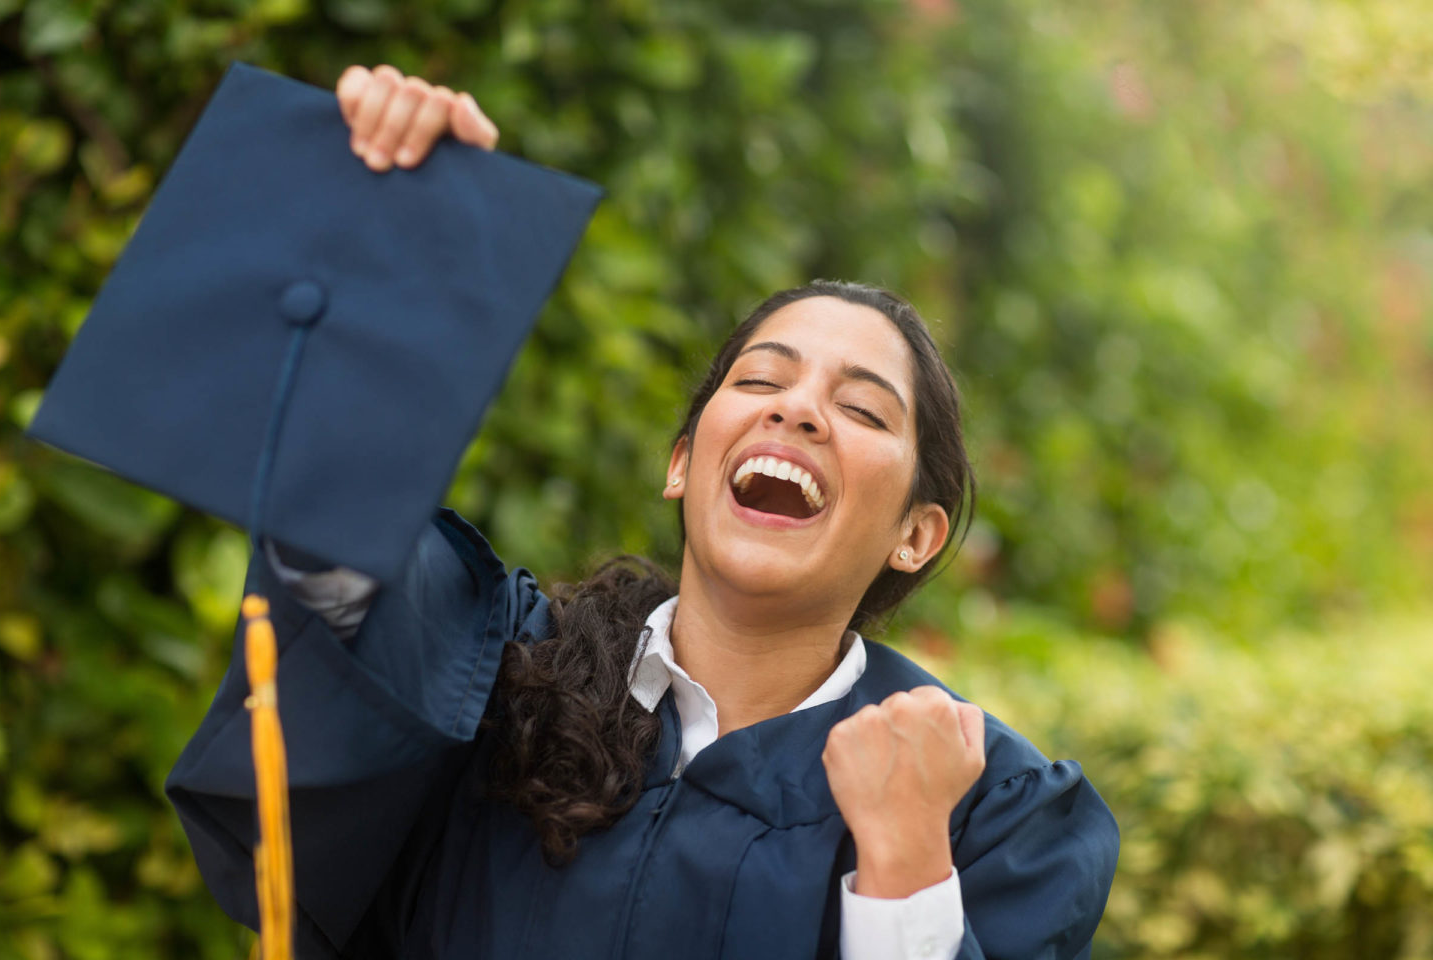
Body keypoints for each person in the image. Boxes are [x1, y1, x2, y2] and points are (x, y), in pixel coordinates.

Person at [167, 64, 1119, 959]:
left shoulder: (988, 809)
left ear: (918, 533)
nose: (796, 409)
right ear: (681, 464)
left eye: (863, 409)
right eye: (760, 379)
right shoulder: (497, 675)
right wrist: (389, 231)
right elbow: (336, 537)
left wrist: (908, 861)